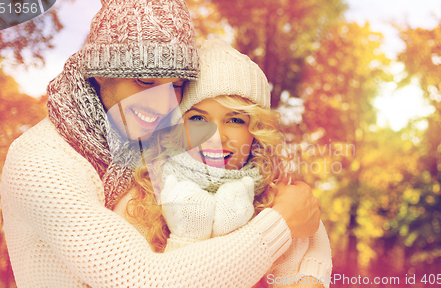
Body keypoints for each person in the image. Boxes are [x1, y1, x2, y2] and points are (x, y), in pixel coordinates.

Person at [0, 0, 321, 287]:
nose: (163, 103)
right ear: (99, 72)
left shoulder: (146, 133)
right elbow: (143, 279)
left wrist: (307, 265)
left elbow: (302, 220)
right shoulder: (41, 162)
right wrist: (281, 223)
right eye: (145, 80)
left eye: (178, 84)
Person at [115, 39, 332, 288]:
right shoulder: (139, 203)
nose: (216, 137)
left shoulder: (284, 201)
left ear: (256, 130)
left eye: (235, 120)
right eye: (198, 118)